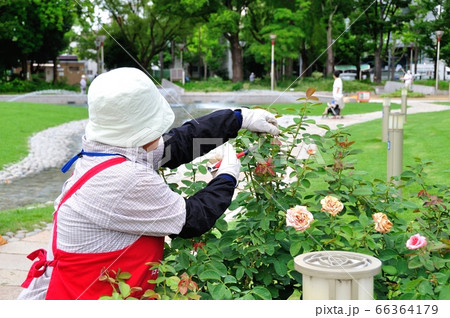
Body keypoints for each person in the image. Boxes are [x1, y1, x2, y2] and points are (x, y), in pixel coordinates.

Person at [18, 67, 280, 300]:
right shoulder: (123, 179)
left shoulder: (105, 150)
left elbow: (178, 144)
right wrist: (228, 174)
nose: (160, 133)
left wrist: (239, 118)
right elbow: (193, 219)